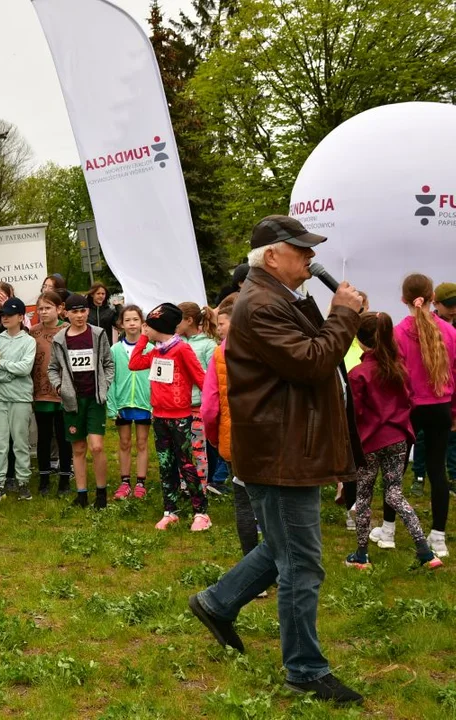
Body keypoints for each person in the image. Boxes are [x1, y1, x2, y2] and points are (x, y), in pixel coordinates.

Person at [190, 215, 365, 705]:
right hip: (281, 450)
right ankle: (305, 670)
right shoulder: (261, 305)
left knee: (283, 547)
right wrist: (342, 315)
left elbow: (316, 344)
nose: (311, 257)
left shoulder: (276, 298)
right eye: (301, 250)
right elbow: (313, 361)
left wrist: (341, 311)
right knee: (301, 563)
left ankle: (216, 603)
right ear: (271, 256)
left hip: (285, 446)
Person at [345, 312, 442, 570]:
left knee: (364, 497)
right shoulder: (399, 368)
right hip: (398, 439)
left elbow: (355, 415)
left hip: (370, 443)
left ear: (361, 341)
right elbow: (409, 400)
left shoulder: (358, 374)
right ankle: (425, 550)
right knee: (395, 494)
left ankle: (361, 555)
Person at [128, 303, 209, 529]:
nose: (144, 328)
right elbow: (134, 363)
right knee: (165, 464)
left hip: (180, 417)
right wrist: (144, 340)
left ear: (159, 327)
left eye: (148, 326)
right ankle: (170, 509)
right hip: (159, 416)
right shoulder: (156, 351)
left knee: (185, 463)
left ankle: (201, 512)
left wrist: (210, 407)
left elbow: (201, 379)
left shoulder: (182, 349)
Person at [394, 273, 456, 559]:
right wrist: (453, 411)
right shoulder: (450, 331)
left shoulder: (397, 333)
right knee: (437, 470)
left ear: (403, 299)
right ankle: (439, 536)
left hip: (410, 408)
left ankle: (387, 529)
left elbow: (394, 379)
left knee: (396, 471)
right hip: (440, 407)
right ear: (433, 298)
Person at [202, 294, 263, 560]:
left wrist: (215, 439)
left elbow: (209, 408)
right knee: (273, 503)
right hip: (270, 436)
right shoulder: (269, 348)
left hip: (234, 438)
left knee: (244, 501)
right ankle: (282, 566)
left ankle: (253, 568)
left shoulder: (220, 354)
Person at [47, 293, 114, 509]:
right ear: (66, 313)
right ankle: (82, 494)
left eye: (83, 311)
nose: (79, 316)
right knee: (78, 448)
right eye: (75, 311)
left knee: (96, 446)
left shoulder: (98, 334)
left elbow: (108, 363)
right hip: (72, 400)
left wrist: (105, 386)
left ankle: (101, 494)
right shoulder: (60, 339)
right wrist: (60, 387)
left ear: (87, 311)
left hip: (94, 398)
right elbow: (52, 369)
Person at [408, 280, 456, 498]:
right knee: (426, 449)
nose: (454, 307)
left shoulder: (402, 330)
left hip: (430, 402)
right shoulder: (445, 330)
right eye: (450, 303)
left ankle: (452, 476)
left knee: (445, 446)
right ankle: (419, 477)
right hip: (435, 402)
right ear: (434, 300)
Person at [0, 297, 35, 501]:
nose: (5, 318)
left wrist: (4, 366)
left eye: (10, 314)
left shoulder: (29, 341)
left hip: (21, 398)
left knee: (20, 441)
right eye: (3, 315)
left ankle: (23, 482)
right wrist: (10, 371)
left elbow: (26, 368)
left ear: (20, 317)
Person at [107, 305, 152, 500]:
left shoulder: (151, 349)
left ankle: (141, 483)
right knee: (124, 442)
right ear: (121, 324)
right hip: (122, 403)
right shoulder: (115, 349)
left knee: (142, 443)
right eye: (127, 320)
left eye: (135, 319)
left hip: (144, 403)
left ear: (142, 323)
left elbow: (155, 378)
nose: (132, 323)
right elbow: (110, 378)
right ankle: (124, 482)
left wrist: (154, 404)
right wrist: (112, 405)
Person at [30, 291, 72, 497]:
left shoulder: (68, 330)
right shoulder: (33, 333)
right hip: (41, 392)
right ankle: (44, 477)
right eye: (41, 308)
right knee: (44, 436)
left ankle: (65, 476)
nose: (44, 312)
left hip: (64, 392)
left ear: (59, 308)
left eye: (48, 307)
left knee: (64, 436)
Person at [177, 303, 219, 493]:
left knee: (199, 451)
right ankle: (184, 486)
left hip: (198, 406)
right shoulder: (176, 343)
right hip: (178, 406)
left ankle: (201, 488)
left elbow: (213, 376)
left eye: (178, 319)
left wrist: (191, 371)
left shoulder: (208, 345)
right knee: (181, 449)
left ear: (189, 320)